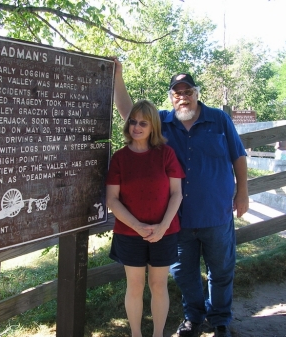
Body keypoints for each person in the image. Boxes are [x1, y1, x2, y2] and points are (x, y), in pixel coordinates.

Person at [112, 59, 249, 337]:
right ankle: (193, 318)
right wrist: (118, 77)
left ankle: (220, 320)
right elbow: (130, 114)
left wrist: (243, 191)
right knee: (184, 274)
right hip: (177, 218)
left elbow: (238, 155)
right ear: (171, 96)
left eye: (187, 92)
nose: (182, 97)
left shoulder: (219, 120)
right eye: (177, 92)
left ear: (197, 93)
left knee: (221, 270)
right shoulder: (162, 122)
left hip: (216, 212)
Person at [106, 99, 185, 337]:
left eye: (143, 123)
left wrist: (162, 226)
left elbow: (177, 193)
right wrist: (138, 226)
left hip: (165, 232)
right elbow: (112, 199)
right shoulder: (119, 158)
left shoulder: (166, 154)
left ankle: (158, 334)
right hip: (129, 233)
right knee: (136, 285)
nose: (136, 127)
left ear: (153, 127)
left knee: (159, 285)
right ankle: (136, 334)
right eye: (133, 122)